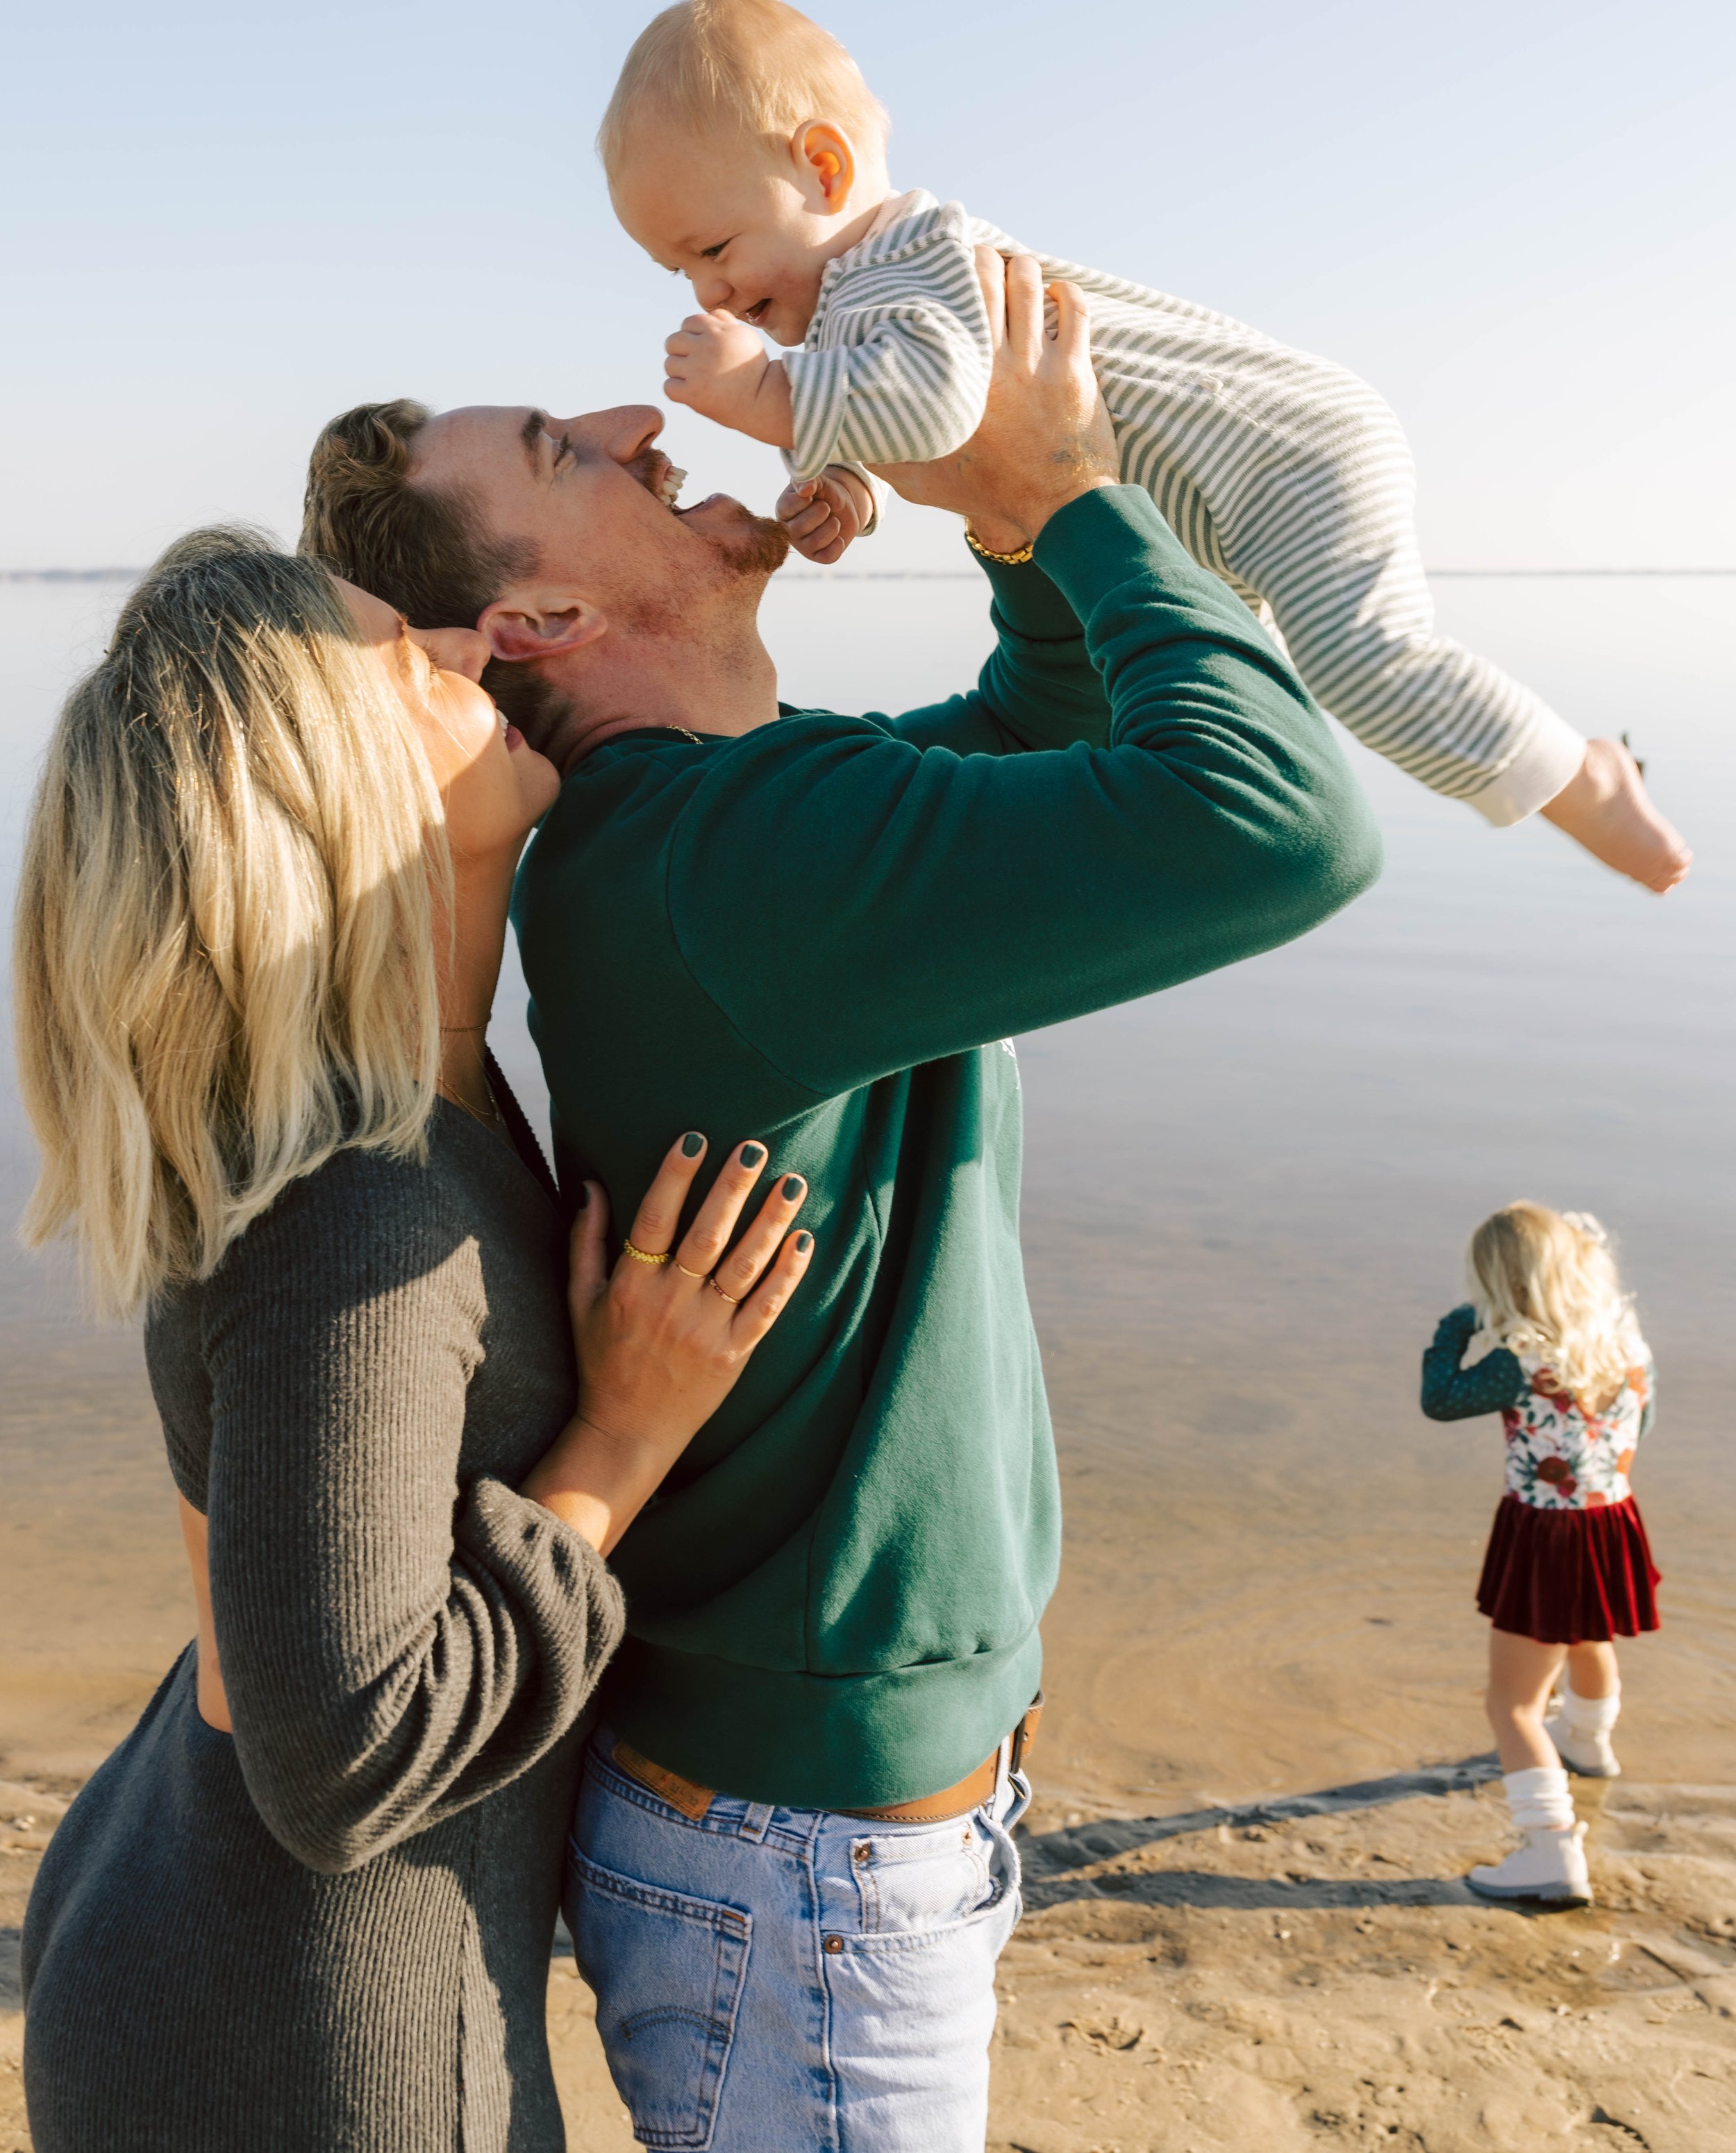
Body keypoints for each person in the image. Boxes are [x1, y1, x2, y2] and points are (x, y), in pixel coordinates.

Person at [300, 251, 1381, 2148]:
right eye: (569, 445)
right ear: (540, 610)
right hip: (796, 1858)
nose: (642, 419)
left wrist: (985, 496)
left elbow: (1054, 725)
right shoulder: (726, 869)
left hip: (794, 1829)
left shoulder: (745, 821)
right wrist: (1062, 498)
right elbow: (1276, 817)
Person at [15, 526, 813, 2153]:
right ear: (328, 786)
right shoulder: (357, 1203)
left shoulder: (396, 1107)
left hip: (215, 1934)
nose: (470, 650)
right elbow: (342, 1756)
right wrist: (623, 1438)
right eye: (407, 654)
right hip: (305, 2040)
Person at [598, 0, 1690, 898]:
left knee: (1367, 663)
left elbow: (933, 400)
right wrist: (850, 492)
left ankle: (1583, 778)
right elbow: (913, 419)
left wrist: (767, 397)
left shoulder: (908, 252)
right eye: (678, 272)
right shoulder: (856, 312)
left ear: (825, 170)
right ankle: (1571, 772)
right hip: (1208, 502)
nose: (710, 289)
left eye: (715, 245)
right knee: (1179, 704)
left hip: (1280, 452)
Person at [1421, 1199, 1659, 1908]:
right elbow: (1644, 1422)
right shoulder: (1625, 1345)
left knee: (1513, 1705)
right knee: (1588, 1637)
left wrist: (1453, 1328)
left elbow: (1440, 1399)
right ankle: (1587, 1742)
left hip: (1545, 1530)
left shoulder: (1516, 1360)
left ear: (1500, 1285)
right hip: (1609, 1520)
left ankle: (1548, 1850)